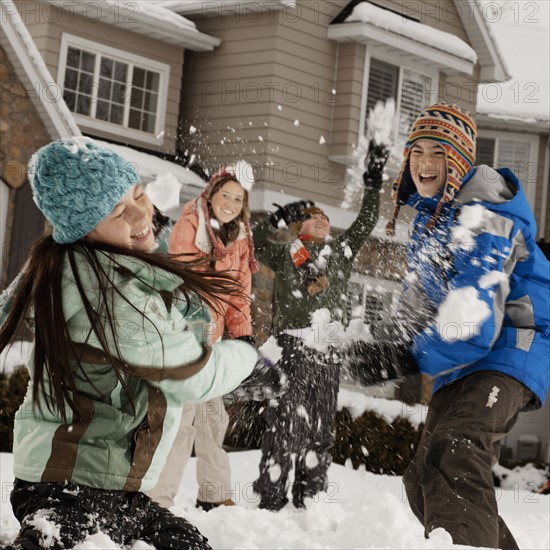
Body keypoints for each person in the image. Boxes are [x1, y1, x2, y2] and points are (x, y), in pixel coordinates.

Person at [0, 138, 260, 550]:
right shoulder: (109, 295)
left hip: (110, 487)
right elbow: (193, 377)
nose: (143, 214)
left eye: (139, 194)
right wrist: (247, 351)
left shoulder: (89, 264)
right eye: (119, 211)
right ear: (84, 230)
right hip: (72, 487)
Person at [348, 103, 549, 549]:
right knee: (422, 479)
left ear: (456, 160)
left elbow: (474, 319)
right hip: (469, 359)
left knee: (457, 448)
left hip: (512, 345)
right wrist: (378, 348)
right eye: (416, 151)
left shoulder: (487, 216)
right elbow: (418, 302)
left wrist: (406, 356)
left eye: (436, 152)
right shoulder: (430, 220)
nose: (423, 162)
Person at [250, 143, 389, 511]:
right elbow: (252, 240)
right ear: (300, 227)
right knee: (284, 427)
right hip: (292, 348)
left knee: (321, 430)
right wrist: (276, 220)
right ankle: (271, 499)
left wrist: (372, 182)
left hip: (327, 352)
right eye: (313, 217)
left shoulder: (341, 250)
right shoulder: (286, 253)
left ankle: (309, 498)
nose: (322, 219)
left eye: (325, 216)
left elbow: (366, 221)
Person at [148, 162, 259, 511]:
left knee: (213, 419)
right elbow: (189, 277)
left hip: (215, 339)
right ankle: (158, 499)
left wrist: (242, 336)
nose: (229, 203)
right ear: (210, 195)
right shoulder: (190, 224)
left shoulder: (239, 237)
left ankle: (213, 493)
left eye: (237, 199)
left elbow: (238, 293)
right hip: (186, 334)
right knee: (180, 421)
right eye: (224, 194)